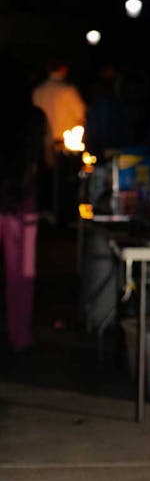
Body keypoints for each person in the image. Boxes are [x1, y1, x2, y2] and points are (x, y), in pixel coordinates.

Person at [0, 62, 51, 358]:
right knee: (22, 274)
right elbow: (46, 160)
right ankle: (20, 334)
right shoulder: (35, 118)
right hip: (24, 203)